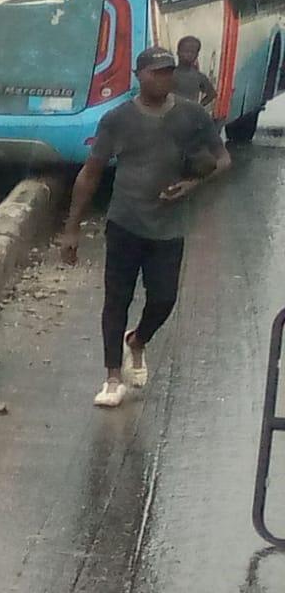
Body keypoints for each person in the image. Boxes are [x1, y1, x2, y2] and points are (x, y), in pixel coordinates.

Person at [59, 47, 231, 408]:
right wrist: (72, 228)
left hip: (168, 227)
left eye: (168, 72)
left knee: (164, 298)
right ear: (139, 75)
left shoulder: (192, 116)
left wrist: (192, 186)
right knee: (116, 298)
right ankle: (111, 377)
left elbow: (222, 160)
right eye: (156, 72)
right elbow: (91, 172)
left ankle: (137, 340)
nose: (164, 78)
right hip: (125, 221)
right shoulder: (117, 119)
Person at [174, 35, 218, 110]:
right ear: (178, 52)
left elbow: (212, 94)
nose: (189, 55)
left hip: (190, 117)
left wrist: (198, 107)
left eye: (193, 52)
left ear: (197, 55)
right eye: (186, 51)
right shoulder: (169, 74)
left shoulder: (199, 77)